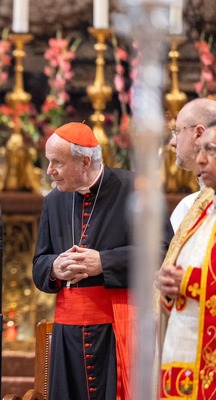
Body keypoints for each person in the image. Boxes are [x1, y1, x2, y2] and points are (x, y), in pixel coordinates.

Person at [32, 122, 173, 399]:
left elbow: (162, 251)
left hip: (117, 329)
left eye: (57, 162)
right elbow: (39, 263)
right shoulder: (53, 201)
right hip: (66, 336)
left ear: (84, 162)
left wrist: (104, 262)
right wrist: (53, 267)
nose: (50, 171)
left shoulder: (136, 189)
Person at [157, 120, 216, 398]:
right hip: (187, 361)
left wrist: (190, 282)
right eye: (201, 149)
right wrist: (168, 285)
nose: (201, 159)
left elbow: (195, 277)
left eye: (212, 150)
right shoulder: (201, 208)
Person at [169, 98, 216, 231]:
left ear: (199, 134)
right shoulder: (190, 205)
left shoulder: (188, 207)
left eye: (177, 131)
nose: (172, 142)